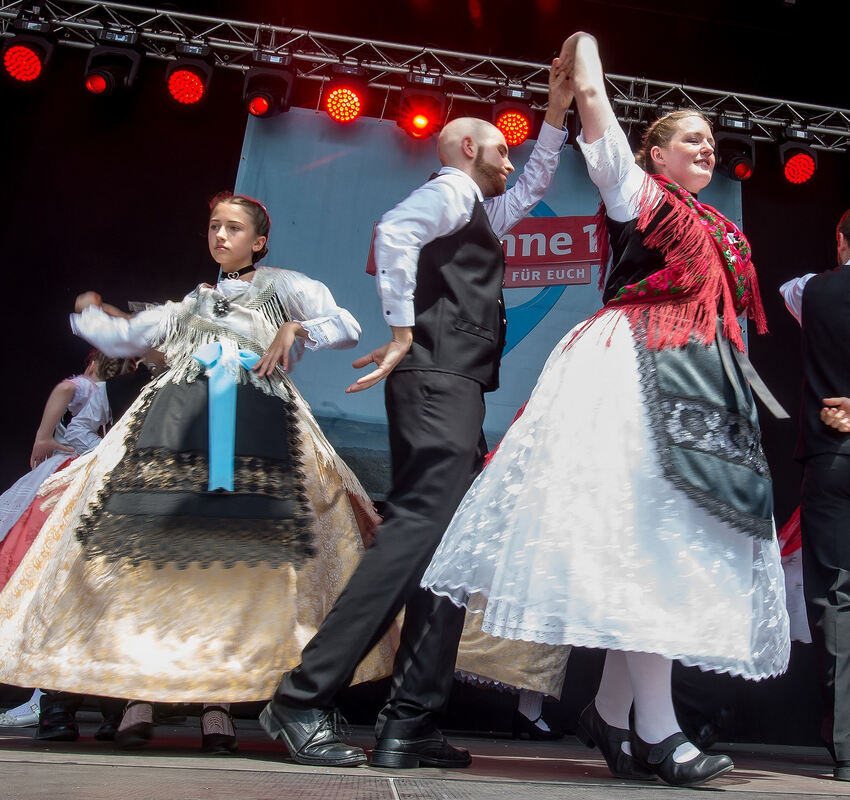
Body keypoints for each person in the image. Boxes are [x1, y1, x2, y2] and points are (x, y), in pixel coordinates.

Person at [422, 32, 790, 788]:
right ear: (655, 155)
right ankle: (657, 730)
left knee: (668, 543)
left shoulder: (720, 227)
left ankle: (613, 713)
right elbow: (595, 109)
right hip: (635, 373)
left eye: (713, 140)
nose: (708, 148)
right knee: (646, 540)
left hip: (701, 379)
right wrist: (582, 51)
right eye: (692, 138)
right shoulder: (638, 196)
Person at [258, 47, 574, 769]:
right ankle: (300, 699)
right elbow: (397, 233)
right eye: (499, 147)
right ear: (466, 148)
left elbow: (529, 189)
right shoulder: (452, 191)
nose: (509, 158)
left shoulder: (479, 206)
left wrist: (554, 115)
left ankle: (410, 723)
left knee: (446, 557)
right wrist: (402, 328)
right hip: (435, 379)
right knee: (412, 541)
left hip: (453, 384)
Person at [0, 192, 397, 753]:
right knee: (156, 556)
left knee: (243, 561)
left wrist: (296, 331)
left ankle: (221, 705)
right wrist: (91, 312)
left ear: (258, 240)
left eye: (234, 228)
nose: (221, 236)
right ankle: (139, 690)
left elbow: (347, 324)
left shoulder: (281, 286)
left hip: (255, 422)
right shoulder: (191, 302)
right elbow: (127, 336)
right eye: (214, 227)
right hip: (177, 422)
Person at [0, 351, 131, 732]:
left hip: (86, 475)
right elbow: (63, 432)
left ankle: (78, 702)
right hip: (81, 473)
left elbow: (69, 420)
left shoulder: (93, 387)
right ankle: (54, 700)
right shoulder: (92, 390)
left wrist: (52, 440)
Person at [779, 208, 850, 780]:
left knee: (837, 599)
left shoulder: (810, 291)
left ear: (840, 238)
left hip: (830, 459)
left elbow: (789, 290)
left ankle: (846, 744)